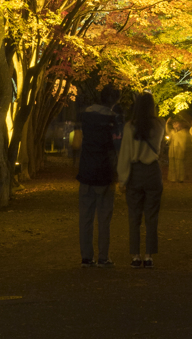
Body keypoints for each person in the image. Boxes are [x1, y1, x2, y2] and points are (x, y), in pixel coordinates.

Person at [117, 91, 165, 268]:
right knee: (152, 216)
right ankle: (149, 255)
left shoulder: (130, 126)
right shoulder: (160, 124)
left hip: (135, 172)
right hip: (153, 171)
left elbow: (125, 154)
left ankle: (136, 255)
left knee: (134, 215)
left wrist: (122, 179)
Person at [76, 84, 120, 267]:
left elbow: (77, 142)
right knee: (104, 218)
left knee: (85, 217)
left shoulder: (84, 115)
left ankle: (86, 256)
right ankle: (103, 257)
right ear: (115, 101)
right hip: (105, 173)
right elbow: (116, 148)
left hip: (86, 171)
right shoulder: (114, 120)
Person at [167, 116, 192, 182]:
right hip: (173, 151)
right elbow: (168, 132)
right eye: (173, 124)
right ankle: (173, 178)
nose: (174, 125)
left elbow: (183, 142)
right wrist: (167, 123)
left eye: (176, 123)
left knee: (180, 165)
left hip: (179, 151)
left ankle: (180, 178)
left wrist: (183, 150)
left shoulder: (183, 132)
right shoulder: (173, 132)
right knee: (173, 165)